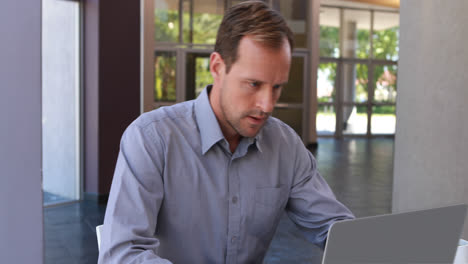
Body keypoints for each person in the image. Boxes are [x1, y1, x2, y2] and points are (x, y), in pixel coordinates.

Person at [98, 1, 354, 263]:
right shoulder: (151, 138)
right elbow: (121, 254)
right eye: (253, 84)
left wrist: (366, 246)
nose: (266, 105)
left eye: (277, 87)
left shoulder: (286, 145)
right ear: (218, 67)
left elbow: (337, 229)